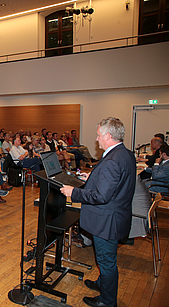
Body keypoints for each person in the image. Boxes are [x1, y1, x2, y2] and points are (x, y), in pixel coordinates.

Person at [60, 117, 136, 307]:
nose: (97, 139)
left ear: (108, 136)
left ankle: (108, 301)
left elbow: (102, 196)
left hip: (107, 220)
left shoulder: (112, 160)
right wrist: (92, 177)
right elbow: (114, 183)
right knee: (106, 258)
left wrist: (74, 192)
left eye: (99, 135)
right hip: (116, 216)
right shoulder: (125, 154)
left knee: (107, 261)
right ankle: (103, 284)